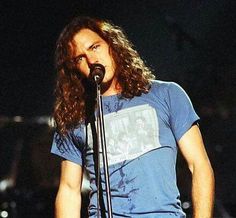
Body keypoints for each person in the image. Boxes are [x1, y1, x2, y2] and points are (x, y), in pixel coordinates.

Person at [51, 16, 215, 218]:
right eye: (80, 58)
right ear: (75, 69)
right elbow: (69, 189)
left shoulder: (167, 94)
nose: (92, 61)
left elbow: (199, 165)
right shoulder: (75, 115)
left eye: (95, 47)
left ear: (112, 45)